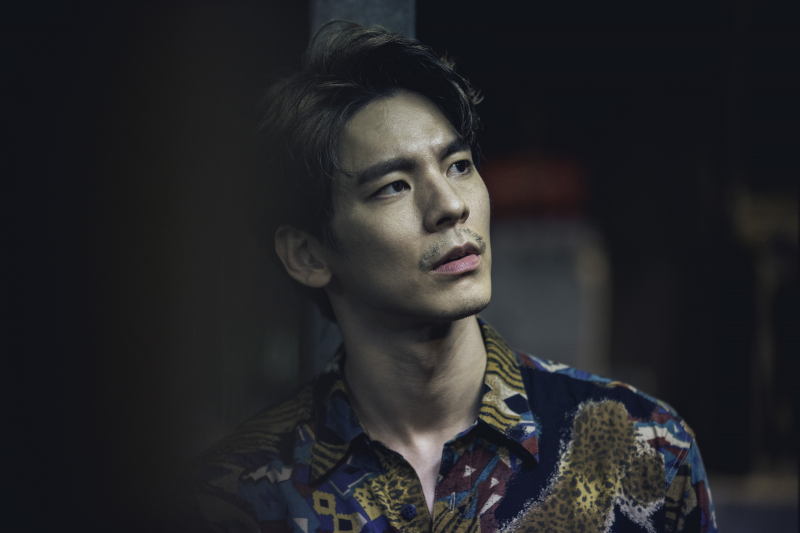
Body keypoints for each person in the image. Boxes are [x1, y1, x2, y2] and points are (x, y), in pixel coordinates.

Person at [190, 21, 717, 533]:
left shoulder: (645, 448)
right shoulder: (233, 498)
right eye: (393, 186)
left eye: (459, 165)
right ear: (307, 254)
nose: (449, 205)